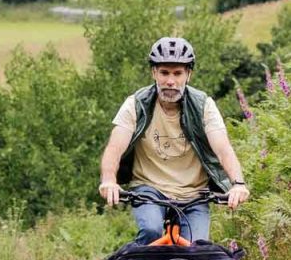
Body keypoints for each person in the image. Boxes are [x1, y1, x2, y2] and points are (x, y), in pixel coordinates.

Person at [98, 35, 251, 244]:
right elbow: (114, 148)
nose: (170, 81)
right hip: (149, 190)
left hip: (194, 194)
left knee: (196, 250)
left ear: (189, 74)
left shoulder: (203, 105)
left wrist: (238, 183)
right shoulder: (136, 104)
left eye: (178, 73)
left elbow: (223, 149)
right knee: (151, 231)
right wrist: (108, 180)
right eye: (164, 73)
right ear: (154, 72)